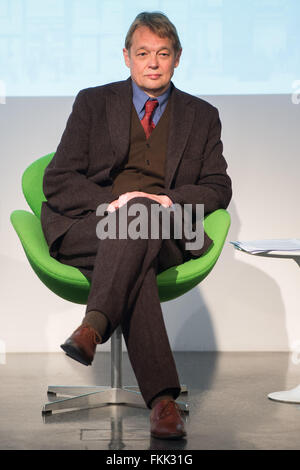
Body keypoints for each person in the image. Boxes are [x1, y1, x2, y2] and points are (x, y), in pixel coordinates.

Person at [41, 11, 232, 440]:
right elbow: (57, 179)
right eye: (143, 53)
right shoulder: (93, 102)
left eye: (163, 54)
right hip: (92, 225)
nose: (153, 63)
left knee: (142, 220)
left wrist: (168, 200)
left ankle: (94, 327)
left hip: (164, 230)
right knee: (134, 236)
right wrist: (113, 201)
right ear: (126, 57)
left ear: (177, 59)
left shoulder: (202, 115)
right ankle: (163, 402)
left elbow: (218, 187)